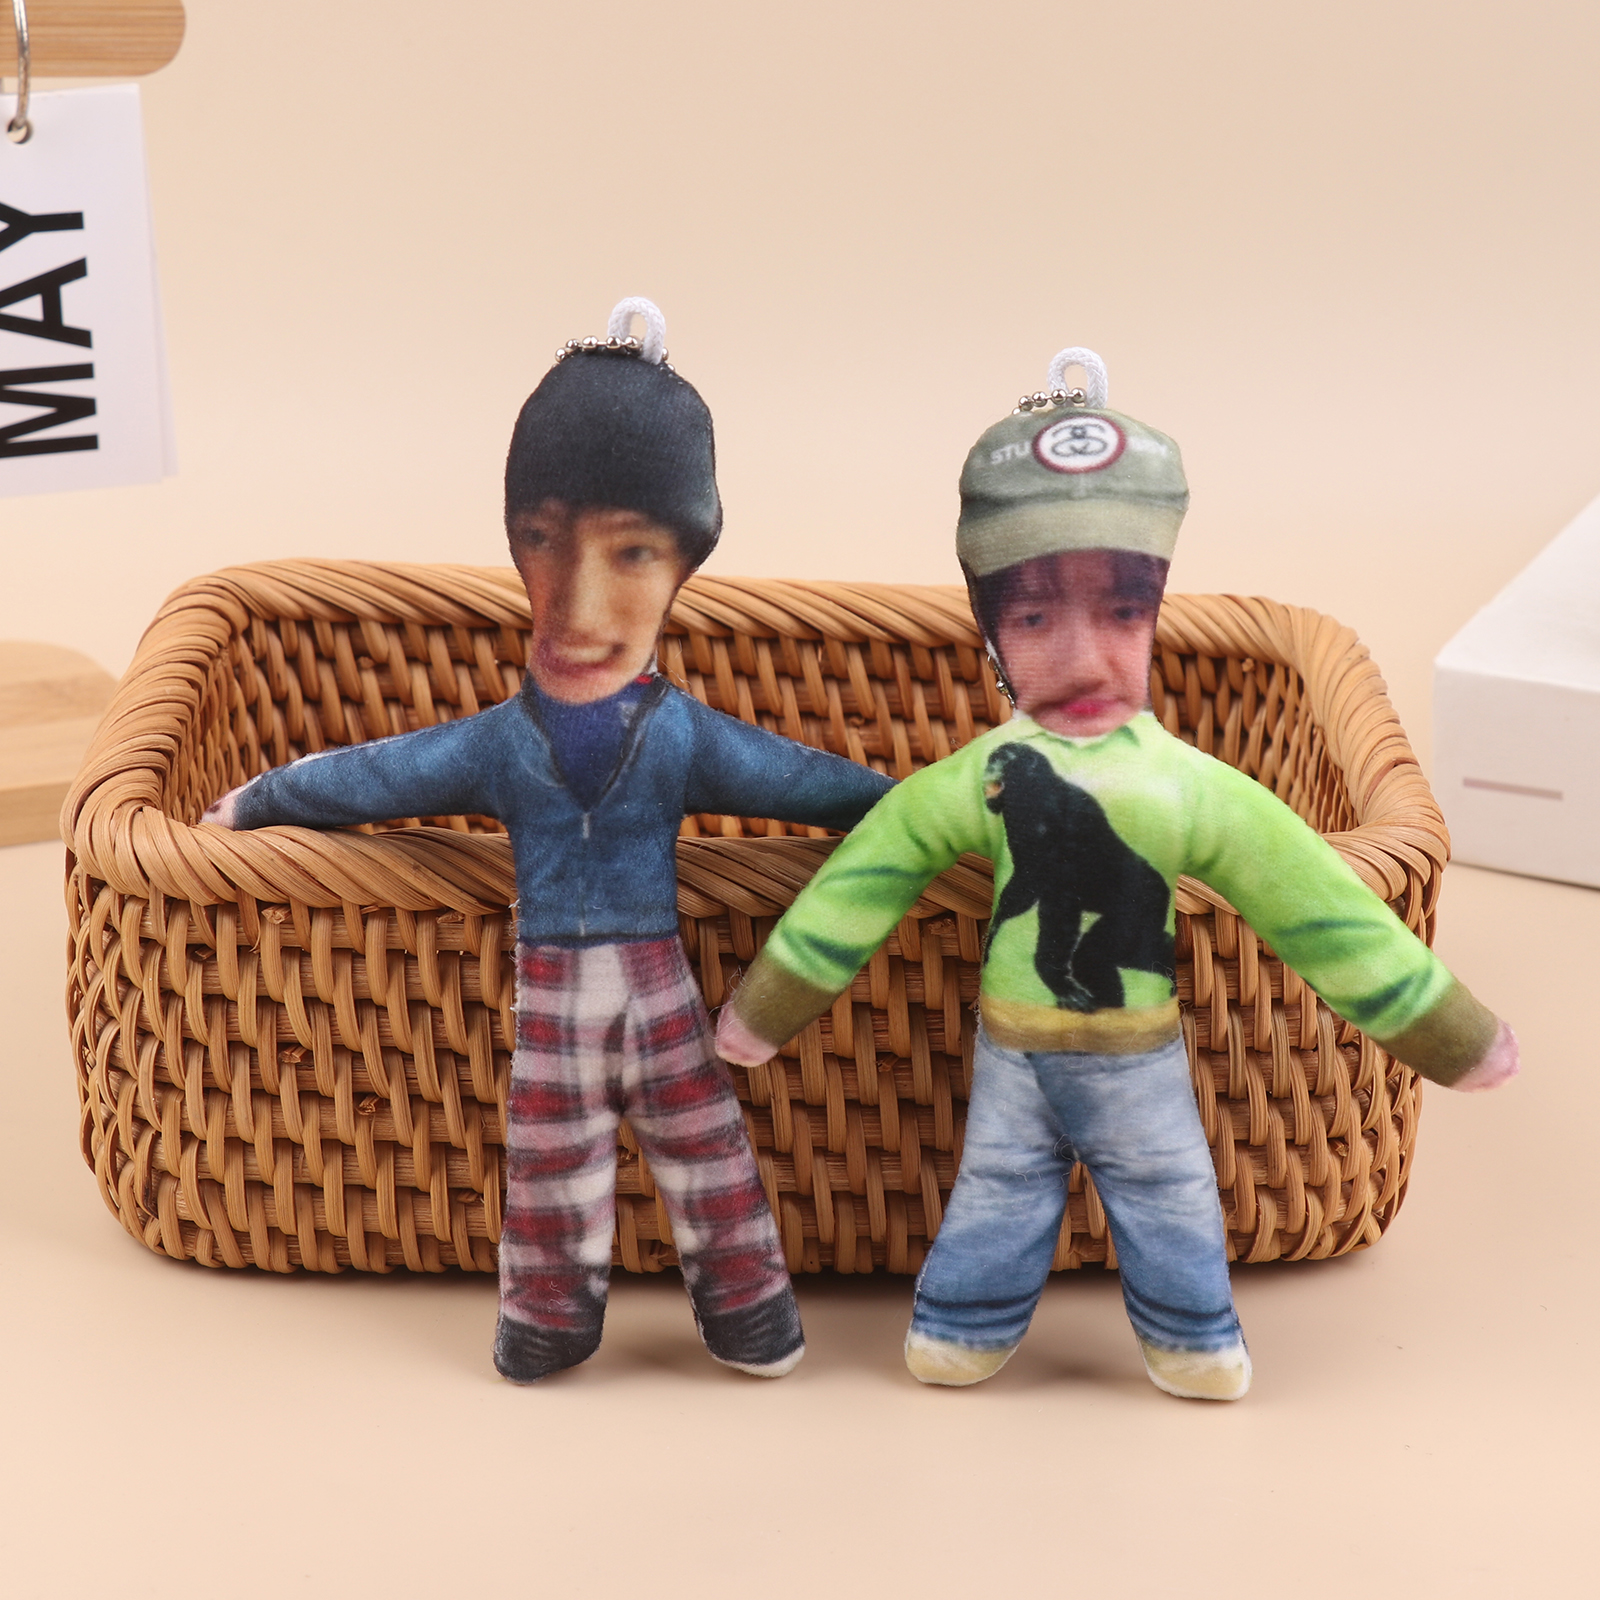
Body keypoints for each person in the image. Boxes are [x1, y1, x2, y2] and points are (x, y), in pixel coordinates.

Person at [717, 351, 1518, 1402]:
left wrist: (1445, 1029)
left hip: (1133, 1049)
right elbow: (864, 877)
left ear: (1156, 612)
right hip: (1023, 1050)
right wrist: (768, 1007)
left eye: (1122, 613)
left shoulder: (1189, 789)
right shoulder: (989, 778)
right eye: (1034, 618)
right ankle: (964, 1327)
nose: (1085, 657)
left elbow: (1324, 911)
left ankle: (1185, 1338)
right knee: (1010, 1188)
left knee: (1162, 1191)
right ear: (991, 635)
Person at [204, 300, 894, 1383]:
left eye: (633, 551)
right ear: (514, 541)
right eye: (540, 538)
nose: (579, 600)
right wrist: (264, 800)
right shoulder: (497, 745)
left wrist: (920, 813)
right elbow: (379, 775)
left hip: (659, 988)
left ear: (687, 560)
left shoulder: (683, 736)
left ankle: (751, 1317)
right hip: (555, 991)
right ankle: (545, 1324)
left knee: (707, 1152)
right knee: (547, 1165)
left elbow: (813, 784)